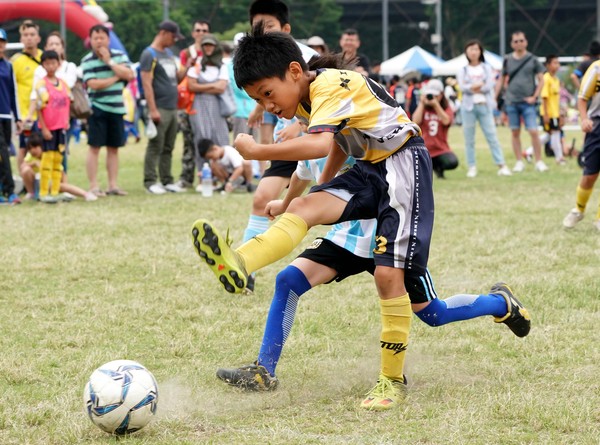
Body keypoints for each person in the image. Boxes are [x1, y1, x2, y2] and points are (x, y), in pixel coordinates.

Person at [191, 29, 528, 410]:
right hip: (371, 171)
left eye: (267, 93)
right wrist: (301, 199)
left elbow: (319, 144)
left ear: (295, 71)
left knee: (421, 304)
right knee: (299, 235)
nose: (266, 105)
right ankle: (240, 264)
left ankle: (401, 374)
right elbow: (334, 144)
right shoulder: (307, 98)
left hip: (401, 165)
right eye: (257, 99)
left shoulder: (330, 85)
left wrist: (256, 152)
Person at [215, 155, 531, 393]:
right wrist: (284, 205)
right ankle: (263, 371)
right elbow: (301, 172)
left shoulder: (346, 127)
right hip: (347, 238)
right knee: (288, 280)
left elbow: (321, 145)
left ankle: (501, 303)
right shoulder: (309, 132)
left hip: (391, 236)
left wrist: (261, 146)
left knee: (433, 314)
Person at [241, 0, 319, 292]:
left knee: (314, 206)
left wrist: (298, 125)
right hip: (285, 147)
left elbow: (318, 96)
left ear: (286, 29)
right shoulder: (256, 62)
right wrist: (259, 107)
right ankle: (243, 269)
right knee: (262, 199)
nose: (262, 32)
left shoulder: (308, 56)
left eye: (269, 27)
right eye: (257, 27)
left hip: (313, 142)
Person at [81, 24, 134, 197]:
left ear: (108, 40)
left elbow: (130, 75)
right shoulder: (87, 60)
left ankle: (113, 185)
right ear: (90, 40)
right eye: (95, 38)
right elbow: (93, 84)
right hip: (97, 108)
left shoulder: (119, 56)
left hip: (117, 108)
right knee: (94, 147)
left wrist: (109, 62)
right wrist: (117, 76)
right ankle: (94, 185)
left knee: (114, 148)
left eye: (102, 38)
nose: (99, 41)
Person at [140, 20, 187, 195]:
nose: (174, 41)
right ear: (164, 33)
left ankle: (167, 180)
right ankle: (150, 181)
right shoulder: (149, 54)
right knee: (155, 145)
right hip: (159, 107)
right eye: (173, 37)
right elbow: (147, 84)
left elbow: (175, 79)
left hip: (172, 107)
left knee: (169, 146)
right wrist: (153, 109)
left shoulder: (167, 54)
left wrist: (186, 67)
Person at [27, 31, 78, 180]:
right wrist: (30, 116)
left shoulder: (70, 67)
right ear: (46, 46)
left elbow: (66, 87)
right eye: (51, 44)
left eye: (57, 44)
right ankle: (43, 186)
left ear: (62, 47)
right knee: (46, 153)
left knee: (61, 153)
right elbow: (35, 95)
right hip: (46, 120)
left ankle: (62, 184)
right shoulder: (39, 71)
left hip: (63, 118)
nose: (54, 46)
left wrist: (52, 74)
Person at [496, 31, 548, 173]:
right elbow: (502, 79)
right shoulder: (507, 60)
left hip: (528, 102)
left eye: (521, 40)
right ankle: (519, 161)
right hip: (512, 101)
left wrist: (534, 96)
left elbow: (542, 79)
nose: (518, 43)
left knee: (533, 131)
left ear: (526, 42)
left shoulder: (533, 59)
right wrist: (496, 96)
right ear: (512, 44)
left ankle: (539, 161)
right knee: (515, 132)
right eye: (516, 41)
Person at [458, 39, 511, 178]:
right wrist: (478, 85)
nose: (473, 52)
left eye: (476, 49)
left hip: (485, 105)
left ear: (480, 51)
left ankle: (501, 165)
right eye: (470, 49)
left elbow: (489, 85)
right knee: (469, 139)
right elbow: (463, 88)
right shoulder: (463, 69)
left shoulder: (487, 68)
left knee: (492, 135)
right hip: (468, 107)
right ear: (466, 52)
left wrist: (472, 86)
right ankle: (472, 166)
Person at [186, 33, 232, 191]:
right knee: (202, 139)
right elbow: (191, 86)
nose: (208, 48)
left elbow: (222, 87)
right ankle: (203, 178)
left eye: (210, 45)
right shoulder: (198, 64)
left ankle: (225, 178)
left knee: (221, 138)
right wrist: (212, 87)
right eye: (205, 45)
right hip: (199, 106)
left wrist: (202, 87)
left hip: (217, 105)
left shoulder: (222, 65)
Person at [562, 58, 600, 231]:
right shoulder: (596, 68)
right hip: (597, 125)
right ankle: (579, 209)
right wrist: (584, 119)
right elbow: (582, 97)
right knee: (590, 175)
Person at [175, 19, 211, 190]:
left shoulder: (212, 51)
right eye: (198, 30)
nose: (201, 33)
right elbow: (179, 77)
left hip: (208, 103)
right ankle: (187, 178)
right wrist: (187, 66)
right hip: (188, 103)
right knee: (189, 142)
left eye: (204, 30)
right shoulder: (186, 53)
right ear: (193, 33)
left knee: (209, 141)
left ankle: (210, 176)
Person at [32, 50, 71, 203]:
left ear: (58, 64)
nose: (50, 66)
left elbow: (68, 104)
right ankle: (43, 192)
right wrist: (44, 128)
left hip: (61, 127)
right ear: (43, 65)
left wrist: (66, 120)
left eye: (53, 62)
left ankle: (55, 191)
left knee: (57, 160)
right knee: (47, 160)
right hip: (48, 128)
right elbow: (39, 108)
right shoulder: (41, 84)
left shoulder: (63, 84)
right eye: (47, 63)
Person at [20, 132, 97, 201]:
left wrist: (64, 185)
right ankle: (31, 193)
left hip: (50, 183)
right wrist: (33, 163)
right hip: (37, 183)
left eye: (35, 147)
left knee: (60, 186)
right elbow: (22, 167)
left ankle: (85, 194)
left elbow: (61, 172)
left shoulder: (49, 156)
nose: (33, 150)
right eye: (30, 148)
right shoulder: (30, 156)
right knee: (25, 170)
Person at [411, 79, 459, 179]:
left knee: (453, 162)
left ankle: (437, 168)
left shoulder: (445, 107)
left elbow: (446, 121)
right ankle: (430, 168)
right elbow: (415, 122)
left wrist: (436, 105)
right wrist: (421, 103)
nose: (432, 97)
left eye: (435, 95)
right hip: (424, 149)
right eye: (429, 94)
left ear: (441, 95)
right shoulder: (423, 107)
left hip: (440, 149)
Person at [11, 20, 42, 169]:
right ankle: (25, 179)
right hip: (25, 114)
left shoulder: (46, 58)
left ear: (38, 38)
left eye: (32, 34)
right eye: (26, 35)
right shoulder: (16, 61)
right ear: (21, 39)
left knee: (45, 148)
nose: (29, 38)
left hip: (43, 113)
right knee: (24, 148)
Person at [0, 27, 22, 204]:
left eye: (1, 42)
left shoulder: (9, 66)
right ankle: (10, 191)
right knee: (3, 153)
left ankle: (4, 188)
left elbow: (13, 93)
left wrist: (18, 117)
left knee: (5, 151)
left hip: (6, 116)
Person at [540, 55, 564, 164]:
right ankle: (559, 158)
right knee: (556, 133)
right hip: (549, 113)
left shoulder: (556, 80)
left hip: (555, 112)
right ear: (548, 65)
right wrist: (545, 114)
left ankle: (529, 152)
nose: (557, 65)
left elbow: (557, 99)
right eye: (554, 63)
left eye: (558, 63)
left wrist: (561, 113)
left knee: (550, 135)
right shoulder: (546, 78)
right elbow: (544, 97)